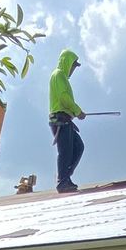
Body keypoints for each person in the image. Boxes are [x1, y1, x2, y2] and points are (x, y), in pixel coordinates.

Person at [48, 49, 87, 192]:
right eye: (73, 66)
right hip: (60, 119)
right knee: (66, 151)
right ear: (67, 63)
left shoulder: (61, 77)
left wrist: (75, 113)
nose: (73, 69)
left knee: (77, 147)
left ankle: (65, 177)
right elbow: (64, 98)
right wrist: (77, 111)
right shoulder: (58, 75)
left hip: (64, 119)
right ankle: (62, 181)